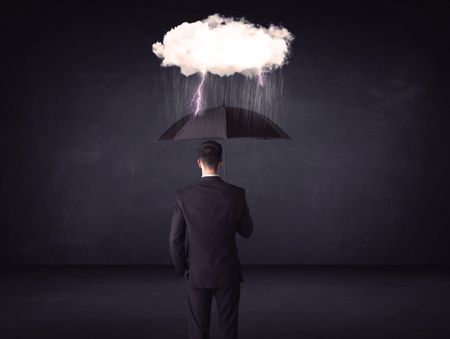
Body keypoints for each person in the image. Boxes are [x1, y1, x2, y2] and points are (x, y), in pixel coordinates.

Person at [169, 140, 253, 339]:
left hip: (197, 273)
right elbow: (247, 231)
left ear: (199, 162)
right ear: (221, 163)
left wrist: (183, 270)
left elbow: (175, 240)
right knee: (229, 330)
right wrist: (242, 206)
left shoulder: (184, 196)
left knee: (198, 330)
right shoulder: (237, 193)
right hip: (228, 272)